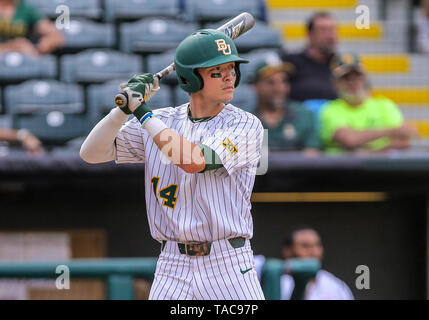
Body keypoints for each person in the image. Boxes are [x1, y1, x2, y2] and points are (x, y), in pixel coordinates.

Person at [80, 29, 265, 300]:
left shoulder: (246, 124)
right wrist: (121, 111)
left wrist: (141, 111)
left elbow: (194, 161)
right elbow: (92, 153)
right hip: (172, 264)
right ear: (190, 78)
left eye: (232, 69)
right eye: (217, 71)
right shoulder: (164, 120)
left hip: (228, 264)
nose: (229, 77)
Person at [320, 54, 419, 154]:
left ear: (364, 79)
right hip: (343, 168)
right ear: (336, 83)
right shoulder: (330, 109)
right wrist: (390, 132)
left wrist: (365, 151)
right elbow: (349, 139)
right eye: (346, 78)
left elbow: (405, 139)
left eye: (357, 77)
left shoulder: (384, 105)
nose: (353, 82)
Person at [251, 52, 320, 154]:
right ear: (255, 87)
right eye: (270, 82)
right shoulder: (243, 119)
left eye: (284, 81)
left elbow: (312, 156)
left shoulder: (304, 115)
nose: (279, 88)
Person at [280, 225, 354, 300]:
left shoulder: (335, 285)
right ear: (287, 251)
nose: (314, 252)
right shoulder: (278, 284)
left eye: (317, 245)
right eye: (305, 246)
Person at [279, 11, 339, 102]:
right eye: (323, 30)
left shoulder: (341, 66)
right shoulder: (290, 62)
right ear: (309, 34)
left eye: (332, 29)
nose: (330, 35)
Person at [0, 0, 64, 55]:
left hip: (23, 59)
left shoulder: (25, 8)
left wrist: (39, 48)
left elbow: (56, 36)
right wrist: (12, 46)